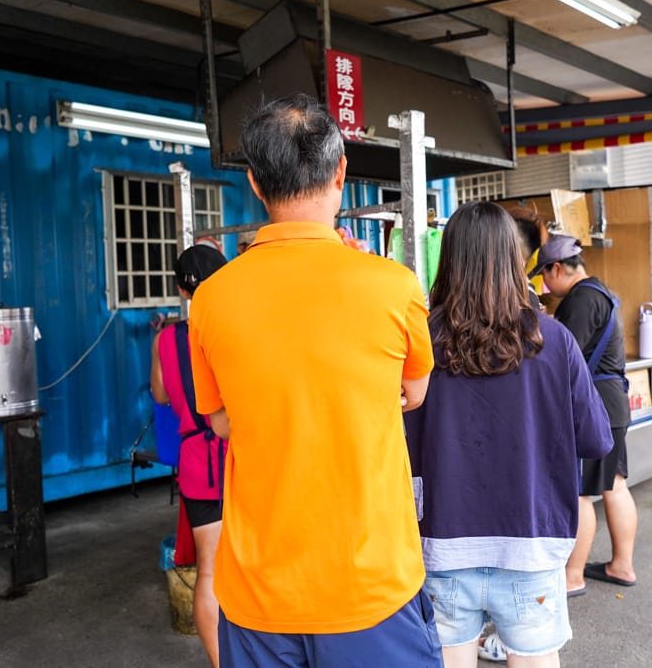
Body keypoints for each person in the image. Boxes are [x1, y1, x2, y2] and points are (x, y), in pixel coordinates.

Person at [186, 93, 441, 668]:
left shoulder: (210, 299)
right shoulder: (393, 286)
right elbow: (415, 391)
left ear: (254, 183)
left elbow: (222, 421)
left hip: (257, 594)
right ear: (342, 172)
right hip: (370, 586)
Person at [403, 202, 613, 668]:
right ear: (513, 259)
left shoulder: (422, 340)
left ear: (450, 259)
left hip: (441, 542)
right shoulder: (553, 340)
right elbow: (597, 440)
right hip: (531, 543)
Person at [530, 234, 639, 591]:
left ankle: (572, 576)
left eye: (544, 276)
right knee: (615, 486)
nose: (544, 285)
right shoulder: (601, 292)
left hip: (595, 405)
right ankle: (621, 565)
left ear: (557, 268)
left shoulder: (580, 300)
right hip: (613, 403)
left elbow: (562, 356)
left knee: (581, 491)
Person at [149, 243, 228, 668]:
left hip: (196, 460)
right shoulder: (232, 329)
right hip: (242, 456)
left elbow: (161, 395)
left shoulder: (166, 338)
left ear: (182, 289)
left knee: (210, 572)